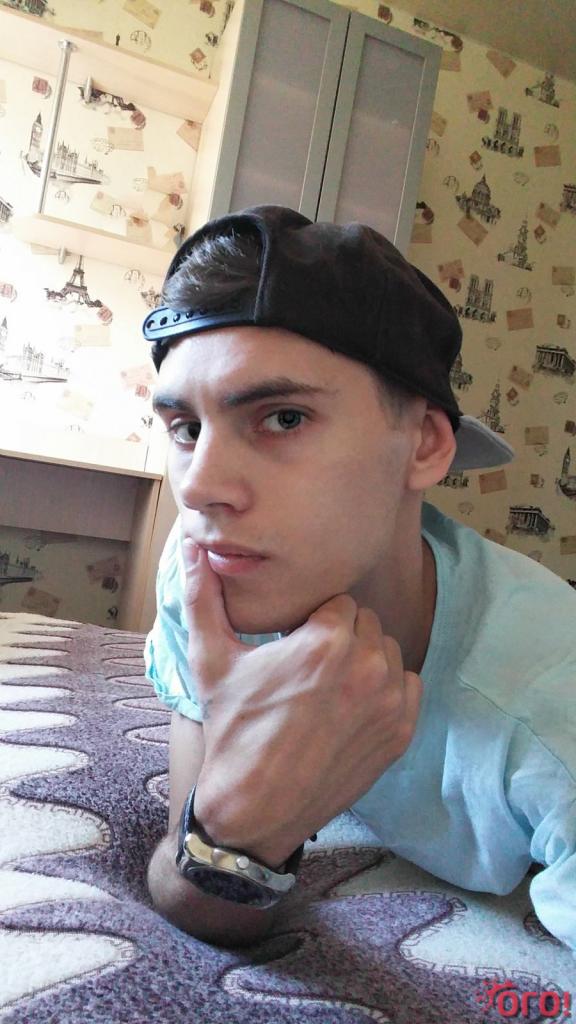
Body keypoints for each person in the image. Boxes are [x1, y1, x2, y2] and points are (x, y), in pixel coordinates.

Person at [143, 205, 576, 952]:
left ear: (425, 446)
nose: (202, 487)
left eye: (283, 418)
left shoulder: (545, 710)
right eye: (187, 428)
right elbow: (192, 877)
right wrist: (237, 827)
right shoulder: (208, 571)